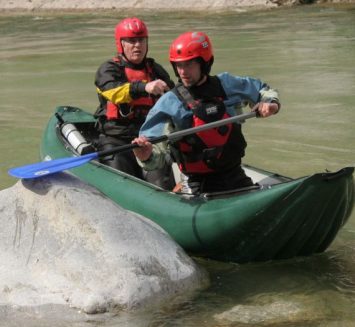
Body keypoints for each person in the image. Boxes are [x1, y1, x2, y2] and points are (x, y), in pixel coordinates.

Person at [132, 31, 280, 195]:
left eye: (189, 64)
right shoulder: (169, 103)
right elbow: (154, 157)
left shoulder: (226, 85)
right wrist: (145, 155)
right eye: (179, 65)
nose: (182, 72)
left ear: (205, 63)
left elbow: (262, 90)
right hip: (197, 183)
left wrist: (271, 104)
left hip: (235, 175)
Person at [94, 17, 176, 188]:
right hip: (116, 140)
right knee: (121, 187)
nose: (137, 45)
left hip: (149, 139)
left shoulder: (156, 70)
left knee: (163, 188)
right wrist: (144, 87)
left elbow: (177, 98)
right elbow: (113, 92)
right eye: (131, 41)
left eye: (141, 40)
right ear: (121, 44)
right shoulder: (108, 69)